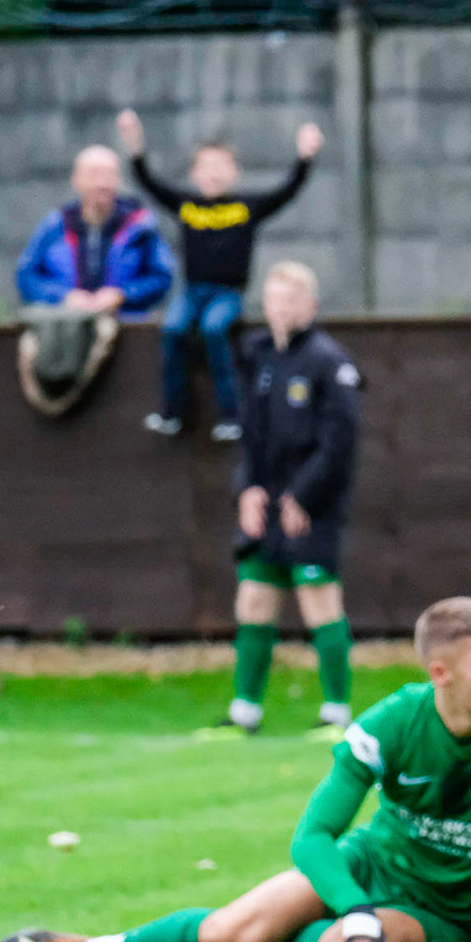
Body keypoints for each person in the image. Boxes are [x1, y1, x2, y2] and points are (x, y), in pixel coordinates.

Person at [2, 598, 471, 942]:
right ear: (440, 674)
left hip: (448, 916)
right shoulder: (392, 722)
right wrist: (358, 905)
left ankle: (295, 938)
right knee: (225, 935)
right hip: (367, 868)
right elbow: (313, 836)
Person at [202, 261, 360, 741]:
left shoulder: (329, 362)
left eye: (291, 300)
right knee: (253, 600)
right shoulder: (258, 356)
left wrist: (302, 496)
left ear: (309, 306)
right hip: (266, 504)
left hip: (313, 505)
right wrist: (246, 489)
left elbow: (340, 442)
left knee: (319, 602)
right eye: (273, 300)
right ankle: (244, 712)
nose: (280, 309)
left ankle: (337, 714)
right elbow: (249, 435)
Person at [118, 109, 325, 442]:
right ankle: (172, 410)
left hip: (227, 293)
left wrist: (304, 158)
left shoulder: (245, 207)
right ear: (194, 174)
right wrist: (135, 147)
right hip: (193, 292)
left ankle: (231, 413)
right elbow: (150, 182)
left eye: (220, 167)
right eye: (206, 167)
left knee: (214, 329)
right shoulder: (188, 206)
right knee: (172, 329)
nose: (213, 174)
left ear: (235, 173)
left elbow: (287, 190)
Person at [15, 145, 173, 319]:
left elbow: (161, 277)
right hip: (66, 324)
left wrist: (122, 295)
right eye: (93, 175)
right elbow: (26, 276)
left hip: (127, 325)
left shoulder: (141, 226)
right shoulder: (55, 225)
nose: (102, 183)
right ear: (76, 180)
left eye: (109, 175)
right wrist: (64, 297)